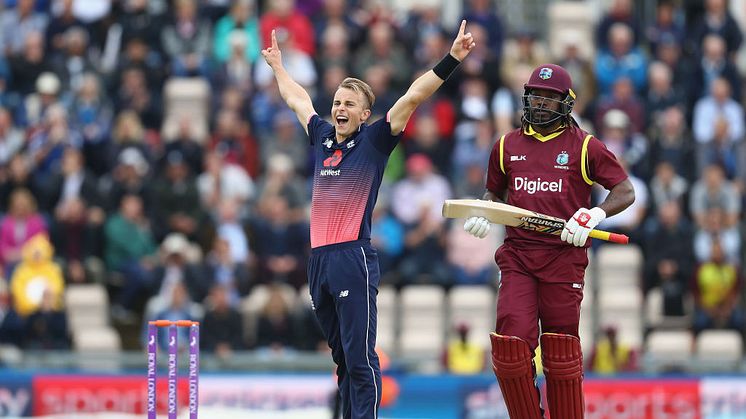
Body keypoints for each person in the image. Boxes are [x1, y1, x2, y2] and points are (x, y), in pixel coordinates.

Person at [262, 21, 475, 419]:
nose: (339, 109)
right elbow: (297, 100)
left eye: (349, 104)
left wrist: (452, 59)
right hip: (319, 261)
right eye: (338, 102)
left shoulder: (375, 141)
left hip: (350, 258)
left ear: (365, 114)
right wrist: (278, 67)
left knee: (360, 359)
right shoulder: (323, 137)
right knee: (342, 360)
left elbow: (413, 96)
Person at [463, 63, 635, 418]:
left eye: (549, 98)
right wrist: (484, 211)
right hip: (518, 256)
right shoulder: (505, 146)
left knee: (560, 351)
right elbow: (493, 193)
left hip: (564, 258)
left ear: (565, 102)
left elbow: (625, 190)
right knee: (510, 348)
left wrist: (595, 214)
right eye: (535, 96)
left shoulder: (585, 146)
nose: (540, 103)